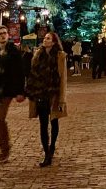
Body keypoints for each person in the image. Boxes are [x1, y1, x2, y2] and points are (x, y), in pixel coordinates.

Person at [26, 31, 68, 167]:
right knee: (43, 125)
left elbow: (63, 80)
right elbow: (32, 74)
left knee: (54, 122)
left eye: (48, 38)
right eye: (44, 38)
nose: (45, 40)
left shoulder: (60, 56)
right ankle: (47, 153)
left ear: (54, 42)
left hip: (54, 94)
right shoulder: (37, 55)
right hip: (40, 93)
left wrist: (62, 99)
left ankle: (52, 146)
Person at [0, 25, 26, 163]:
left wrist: (20, 91)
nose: (3, 36)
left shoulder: (13, 52)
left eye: (4, 33)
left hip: (7, 91)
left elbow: (19, 72)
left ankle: (5, 151)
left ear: (8, 35)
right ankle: (3, 150)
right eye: (0, 34)